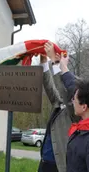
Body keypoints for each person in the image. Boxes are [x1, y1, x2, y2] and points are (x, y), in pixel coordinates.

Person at [38, 42, 79, 172]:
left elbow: (62, 89)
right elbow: (50, 88)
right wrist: (44, 63)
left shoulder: (74, 111)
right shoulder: (59, 104)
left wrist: (56, 64)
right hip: (44, 162)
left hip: (59, 166)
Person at [52, 51, 89, 172]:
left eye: (74, 99)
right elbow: (72, 85)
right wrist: (62, 66)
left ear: (84, 107)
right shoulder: (82, 130)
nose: (72, 101)